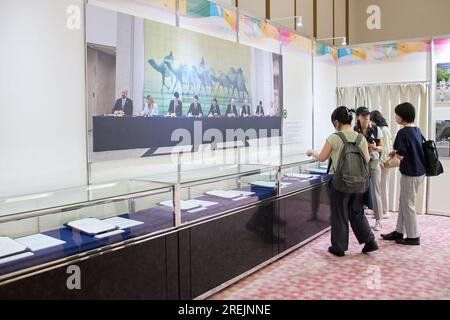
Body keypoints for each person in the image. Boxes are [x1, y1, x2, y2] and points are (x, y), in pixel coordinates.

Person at [306, 106, 378, 257]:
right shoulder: (360, 138)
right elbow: (366, 159)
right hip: (359, 182)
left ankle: (339, 247)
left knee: (339, 214)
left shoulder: (334, 138)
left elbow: (322, 158)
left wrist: (312, 152)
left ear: (336, 122)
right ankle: (370, 241)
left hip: (340, 183)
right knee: (356, 212)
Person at [381, 102, 426, 246]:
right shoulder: (417, 130)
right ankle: (399, 232)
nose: (395, 117)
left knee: (408, 204)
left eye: (397, 114)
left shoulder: (403, 132)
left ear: (403, 116)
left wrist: (394, 154)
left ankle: (413, 236)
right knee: (404, 203)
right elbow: (411, 150)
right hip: (419, 172)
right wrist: (398, 153)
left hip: (410, 173)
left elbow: (402, 155)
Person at [354, 106, 385, 231]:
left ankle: (379, 220)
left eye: (367, 114)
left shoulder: (376, 129)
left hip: (374, 161)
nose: (366, 117)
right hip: (360, 162)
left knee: (376, 190)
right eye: (363, 115)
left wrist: (374, 147)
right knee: (360, 190)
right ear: (358, 117)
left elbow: (382, 147)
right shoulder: (355, 130)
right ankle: (360, 219)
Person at [370, 110, 393, 218]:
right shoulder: (382, 129)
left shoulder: (383, 130)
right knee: (380, 186)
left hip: (384, 161)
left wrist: (383, 161)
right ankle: (379, 209)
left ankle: (385, 211)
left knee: (382, 187)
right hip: (383, 160)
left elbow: (386, 147)